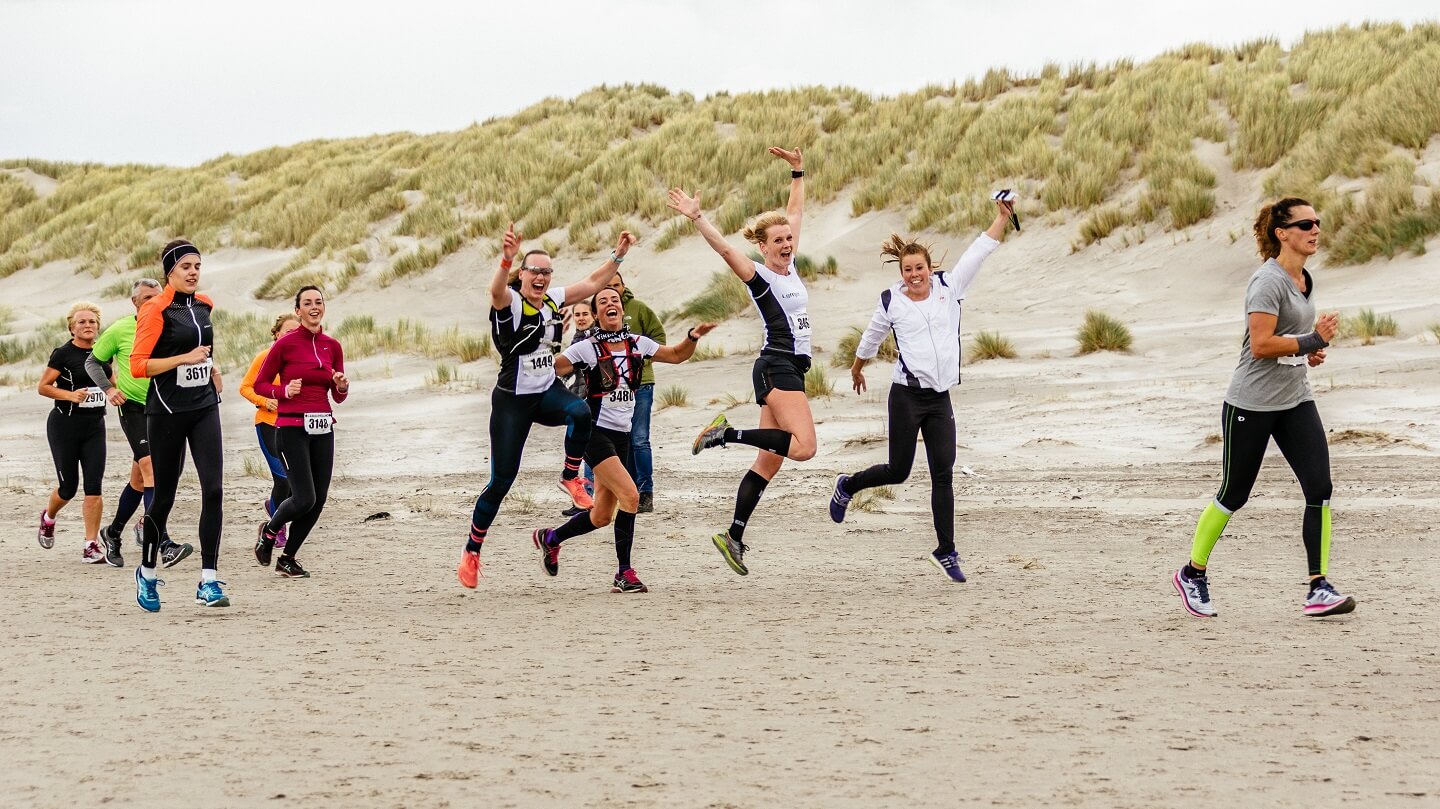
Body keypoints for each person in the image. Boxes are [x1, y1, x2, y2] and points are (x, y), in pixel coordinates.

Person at [1172, 198, 1355, 619]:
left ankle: (1318, 587)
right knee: (1234, 493)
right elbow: (1261, 344)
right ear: (1282, 233)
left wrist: (1306, 354)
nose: (1315, 229)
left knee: (1319, 488)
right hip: (1251, 403)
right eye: (1306, 223)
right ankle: (1192, 573)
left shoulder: (1304, 278)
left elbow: (1287, 340)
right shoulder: (1267, 281)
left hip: (1295, 399)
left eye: (1317, 222)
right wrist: (1313, 341)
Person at [829, 197, 1016, 582]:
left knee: (942, 474)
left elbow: (978, 252)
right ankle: (848, 485)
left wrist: (1002, 218)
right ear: (902, 272)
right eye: (908, 270)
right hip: (906, 397)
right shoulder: (891, 301)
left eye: (920, 269)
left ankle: (946, 550)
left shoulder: (950, 286)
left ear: (931, 269)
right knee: (898, 472)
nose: (915, 275)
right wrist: (858, 366)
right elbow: (872, 335)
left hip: (939, 398)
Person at [458, 224, 634, 588]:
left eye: (546, 271)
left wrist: (618, 255)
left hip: (547, 392)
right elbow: (494, 291)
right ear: (522, 275)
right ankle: (472, 551)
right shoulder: (510, 301)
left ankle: (571, 477)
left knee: (580, 411)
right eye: (534, 270)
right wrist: (506, 258)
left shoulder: (553, 299)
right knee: (501, 482)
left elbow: (591, 282)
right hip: (512, 402)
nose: (540, 276)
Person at [666, 146, 815, 576]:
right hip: (777, 365)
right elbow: (725, 251)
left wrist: (797, 172)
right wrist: (697, 217)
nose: (787, 243)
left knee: (770, 461)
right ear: (764, 248)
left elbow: (796, 214)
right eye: (779, 241)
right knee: (804, 448)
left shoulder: (791, 266)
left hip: (789, 369)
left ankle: (733, 535)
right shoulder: (762, 275)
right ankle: (725, 434)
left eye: (789, 239)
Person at [537, 287, 715, 592]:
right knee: (631, 497)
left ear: (622, 309)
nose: (610, 304)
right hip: (593, 433)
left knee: (602, 516)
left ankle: (551, 538)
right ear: (594, 315)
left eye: (614, 301)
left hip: (622, 435)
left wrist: (692, 337)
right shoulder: (586, 348)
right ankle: (624, 573)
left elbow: (675, 355)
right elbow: (549, 370)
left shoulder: (638, 344)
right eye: (602, 302)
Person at [129, 239, 229, 611]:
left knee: (214, 490)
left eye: (197, 266)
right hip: (167, 411)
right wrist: (183, 358)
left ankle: (208, 580)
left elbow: (204, 349)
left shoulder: (204, 305)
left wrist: (211, 368)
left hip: (204, 406)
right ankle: (148, 573)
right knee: (165, 497)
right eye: (186, 266)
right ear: (170, 271)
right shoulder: (156, 309)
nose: (193, 272)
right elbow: (140, 366)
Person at [86, 278, 194, 568]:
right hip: (133, 408)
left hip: (165, 407)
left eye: (157, 297)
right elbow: (93, 362)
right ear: (135, 302)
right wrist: (109, 389)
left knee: (140, 479)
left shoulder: (171, 325)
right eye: (147, 297)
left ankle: (113, 532)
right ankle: (165, 544)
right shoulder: (121, 329)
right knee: (151, 471)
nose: (153, 302)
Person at [252, 287, 348, 578]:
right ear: (298, 310)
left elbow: (339, 395)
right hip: (291, 428)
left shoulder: (333, 345)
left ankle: (288, 558)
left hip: (322, 428)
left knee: (318, 500)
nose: (314, 307)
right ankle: (269, 533)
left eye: (318, 302)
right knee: (303, 498)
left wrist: (341, 386)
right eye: (307, 303)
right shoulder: (285, 345)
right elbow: (260, 384)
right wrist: (284, 391)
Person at [37, 302, 111, 564]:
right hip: (64, 426)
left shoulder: (104, 352)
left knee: (94, 488)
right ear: (72, 327)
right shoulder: (63, 354)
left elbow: (112, 382)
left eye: (92, 321)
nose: (87, 326)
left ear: (98, 326)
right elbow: (43, 387)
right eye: (82, 322)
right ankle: (48, 517)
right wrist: (70, 395)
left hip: (94, 427)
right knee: (68, 488)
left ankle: (90, 545)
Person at [240, 313, 302, 553]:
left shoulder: (302, 360)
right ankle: (275, 528)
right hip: (268, 425)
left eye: (297, 332)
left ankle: (274, 511)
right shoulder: (265, 357)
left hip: (294, 426)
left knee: (297, 483)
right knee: (283, 479)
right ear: (276, 334)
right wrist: (265, 401)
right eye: (288, 332)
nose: (293, 336)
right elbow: (245, 387)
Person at [605, 272, 666, 513]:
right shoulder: (600, 313)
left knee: (639, 439)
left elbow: (659, 338)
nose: (613, 291)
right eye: (608, 287)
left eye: (616, 286)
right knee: (620, 439)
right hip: (612, 388)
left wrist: (641, 361)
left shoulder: (639, 309)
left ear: (624, 286)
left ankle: (645, 493)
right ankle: (625, 491)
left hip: (641, 384)